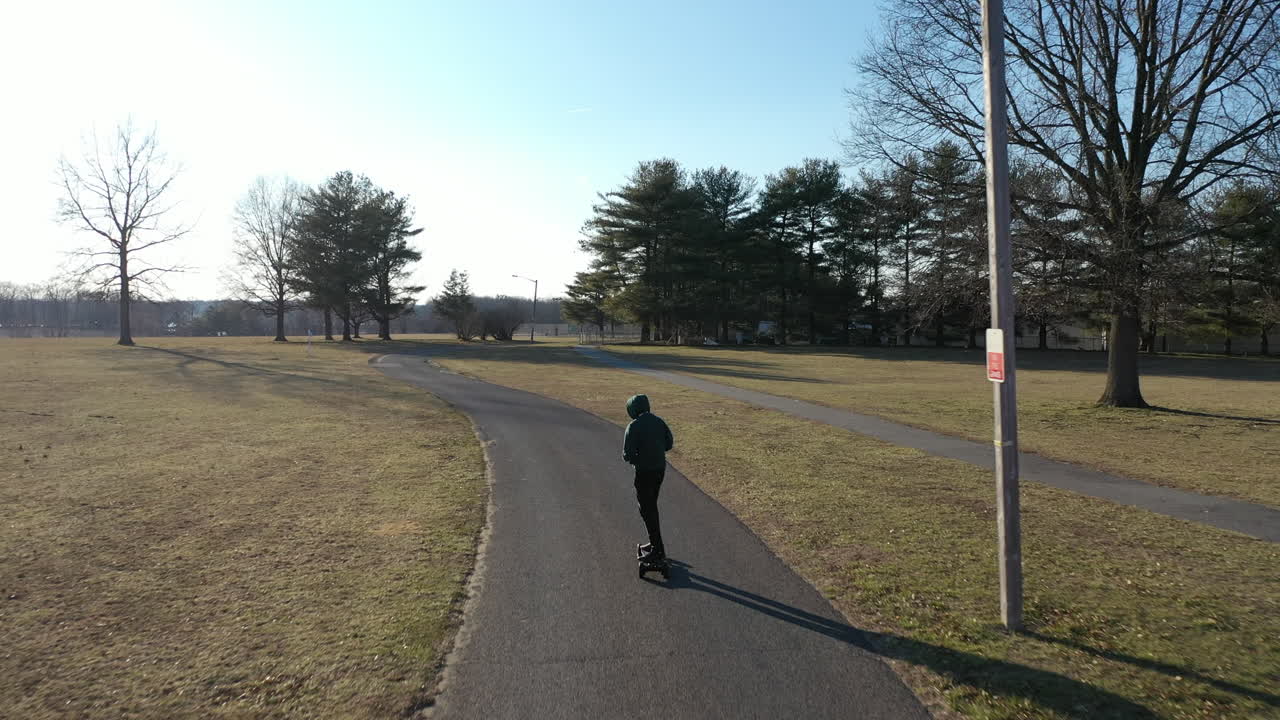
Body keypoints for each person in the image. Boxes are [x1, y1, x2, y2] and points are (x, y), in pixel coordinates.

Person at [623, 394, 674, 561]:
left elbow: (627, 455)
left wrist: (639, 458)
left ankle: (657, 550)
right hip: (660, 470)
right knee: (651, 507)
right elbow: (669, 444)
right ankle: (654, 544)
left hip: (644, 472)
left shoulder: (634, 426)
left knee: (646, 509)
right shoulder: (659, 421)